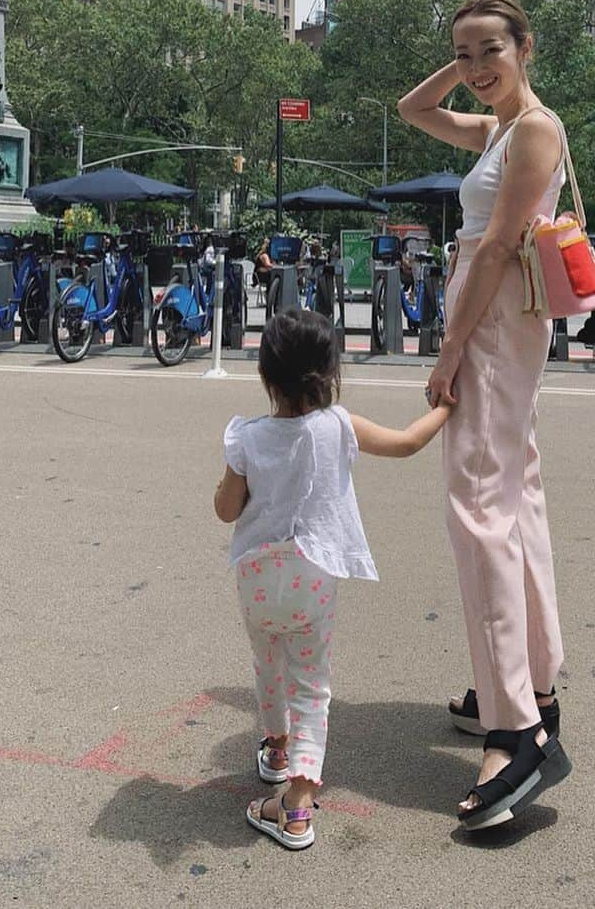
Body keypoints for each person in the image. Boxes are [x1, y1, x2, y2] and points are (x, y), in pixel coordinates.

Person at [398, 0, 574, 832]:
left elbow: (500, 247)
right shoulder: (496, 127)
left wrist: (450, 350)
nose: (474, 70)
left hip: (494, 323)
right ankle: (532, 683)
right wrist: (470, 69)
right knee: (516, 497)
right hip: (496, 323)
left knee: (480, 511)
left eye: (492, 51)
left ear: (526, 47)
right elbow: (411, 108)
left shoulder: (533, 129)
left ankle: (516, 728)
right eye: (466, 54)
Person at [214, 308, 451, 850]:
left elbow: (227, 510)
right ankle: (296, 805)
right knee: (311, 683)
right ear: (328, 374)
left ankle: (276, 748)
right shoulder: (338, 425)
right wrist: (444, 408)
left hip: (256, 577)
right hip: (312, 576)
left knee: (267, 663)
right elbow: (407, 442)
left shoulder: (246, 437)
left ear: (265, 377)